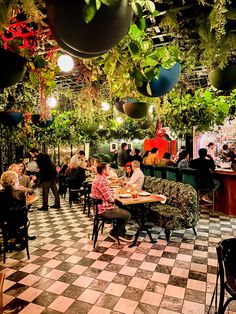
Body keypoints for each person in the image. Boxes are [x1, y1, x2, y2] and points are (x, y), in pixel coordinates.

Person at [91, 162, 132, 242]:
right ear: (104, 171)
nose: (109, 170)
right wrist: (116, 195)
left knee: (122, 208)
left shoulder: (98, 178)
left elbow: (107, 194)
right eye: (108, 168)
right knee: (127, 214)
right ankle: (117, 233)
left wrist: (113, 194)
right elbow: (110, 199)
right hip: (104, 211)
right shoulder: (102, 181)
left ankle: (117, 231)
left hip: (100, 208)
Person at [0, 171, 28, 249]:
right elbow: (23, 208)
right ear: (14, 182)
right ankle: (21, 240)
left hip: (3, 222)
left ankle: (10, 241)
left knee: (9, 219)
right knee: (23, 217)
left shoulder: (1, 193)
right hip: (19, 221)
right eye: (17, 180)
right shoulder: (20, 193)